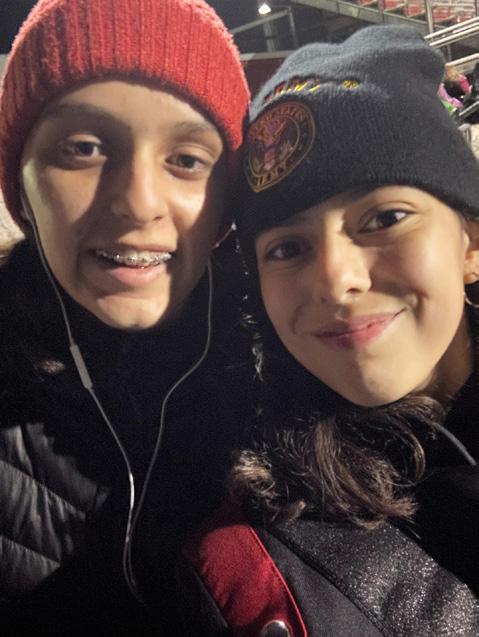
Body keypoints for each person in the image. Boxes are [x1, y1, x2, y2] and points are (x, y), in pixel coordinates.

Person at [178, 26, 479, 636]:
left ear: (470, 242)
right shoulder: (251, 563)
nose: (336, 281)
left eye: (384, 218)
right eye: (287, 248)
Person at [0, 0, 251, 635]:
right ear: (20, 186)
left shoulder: (297, 359)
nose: (138, 204)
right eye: (83, 148)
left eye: (187, 159)